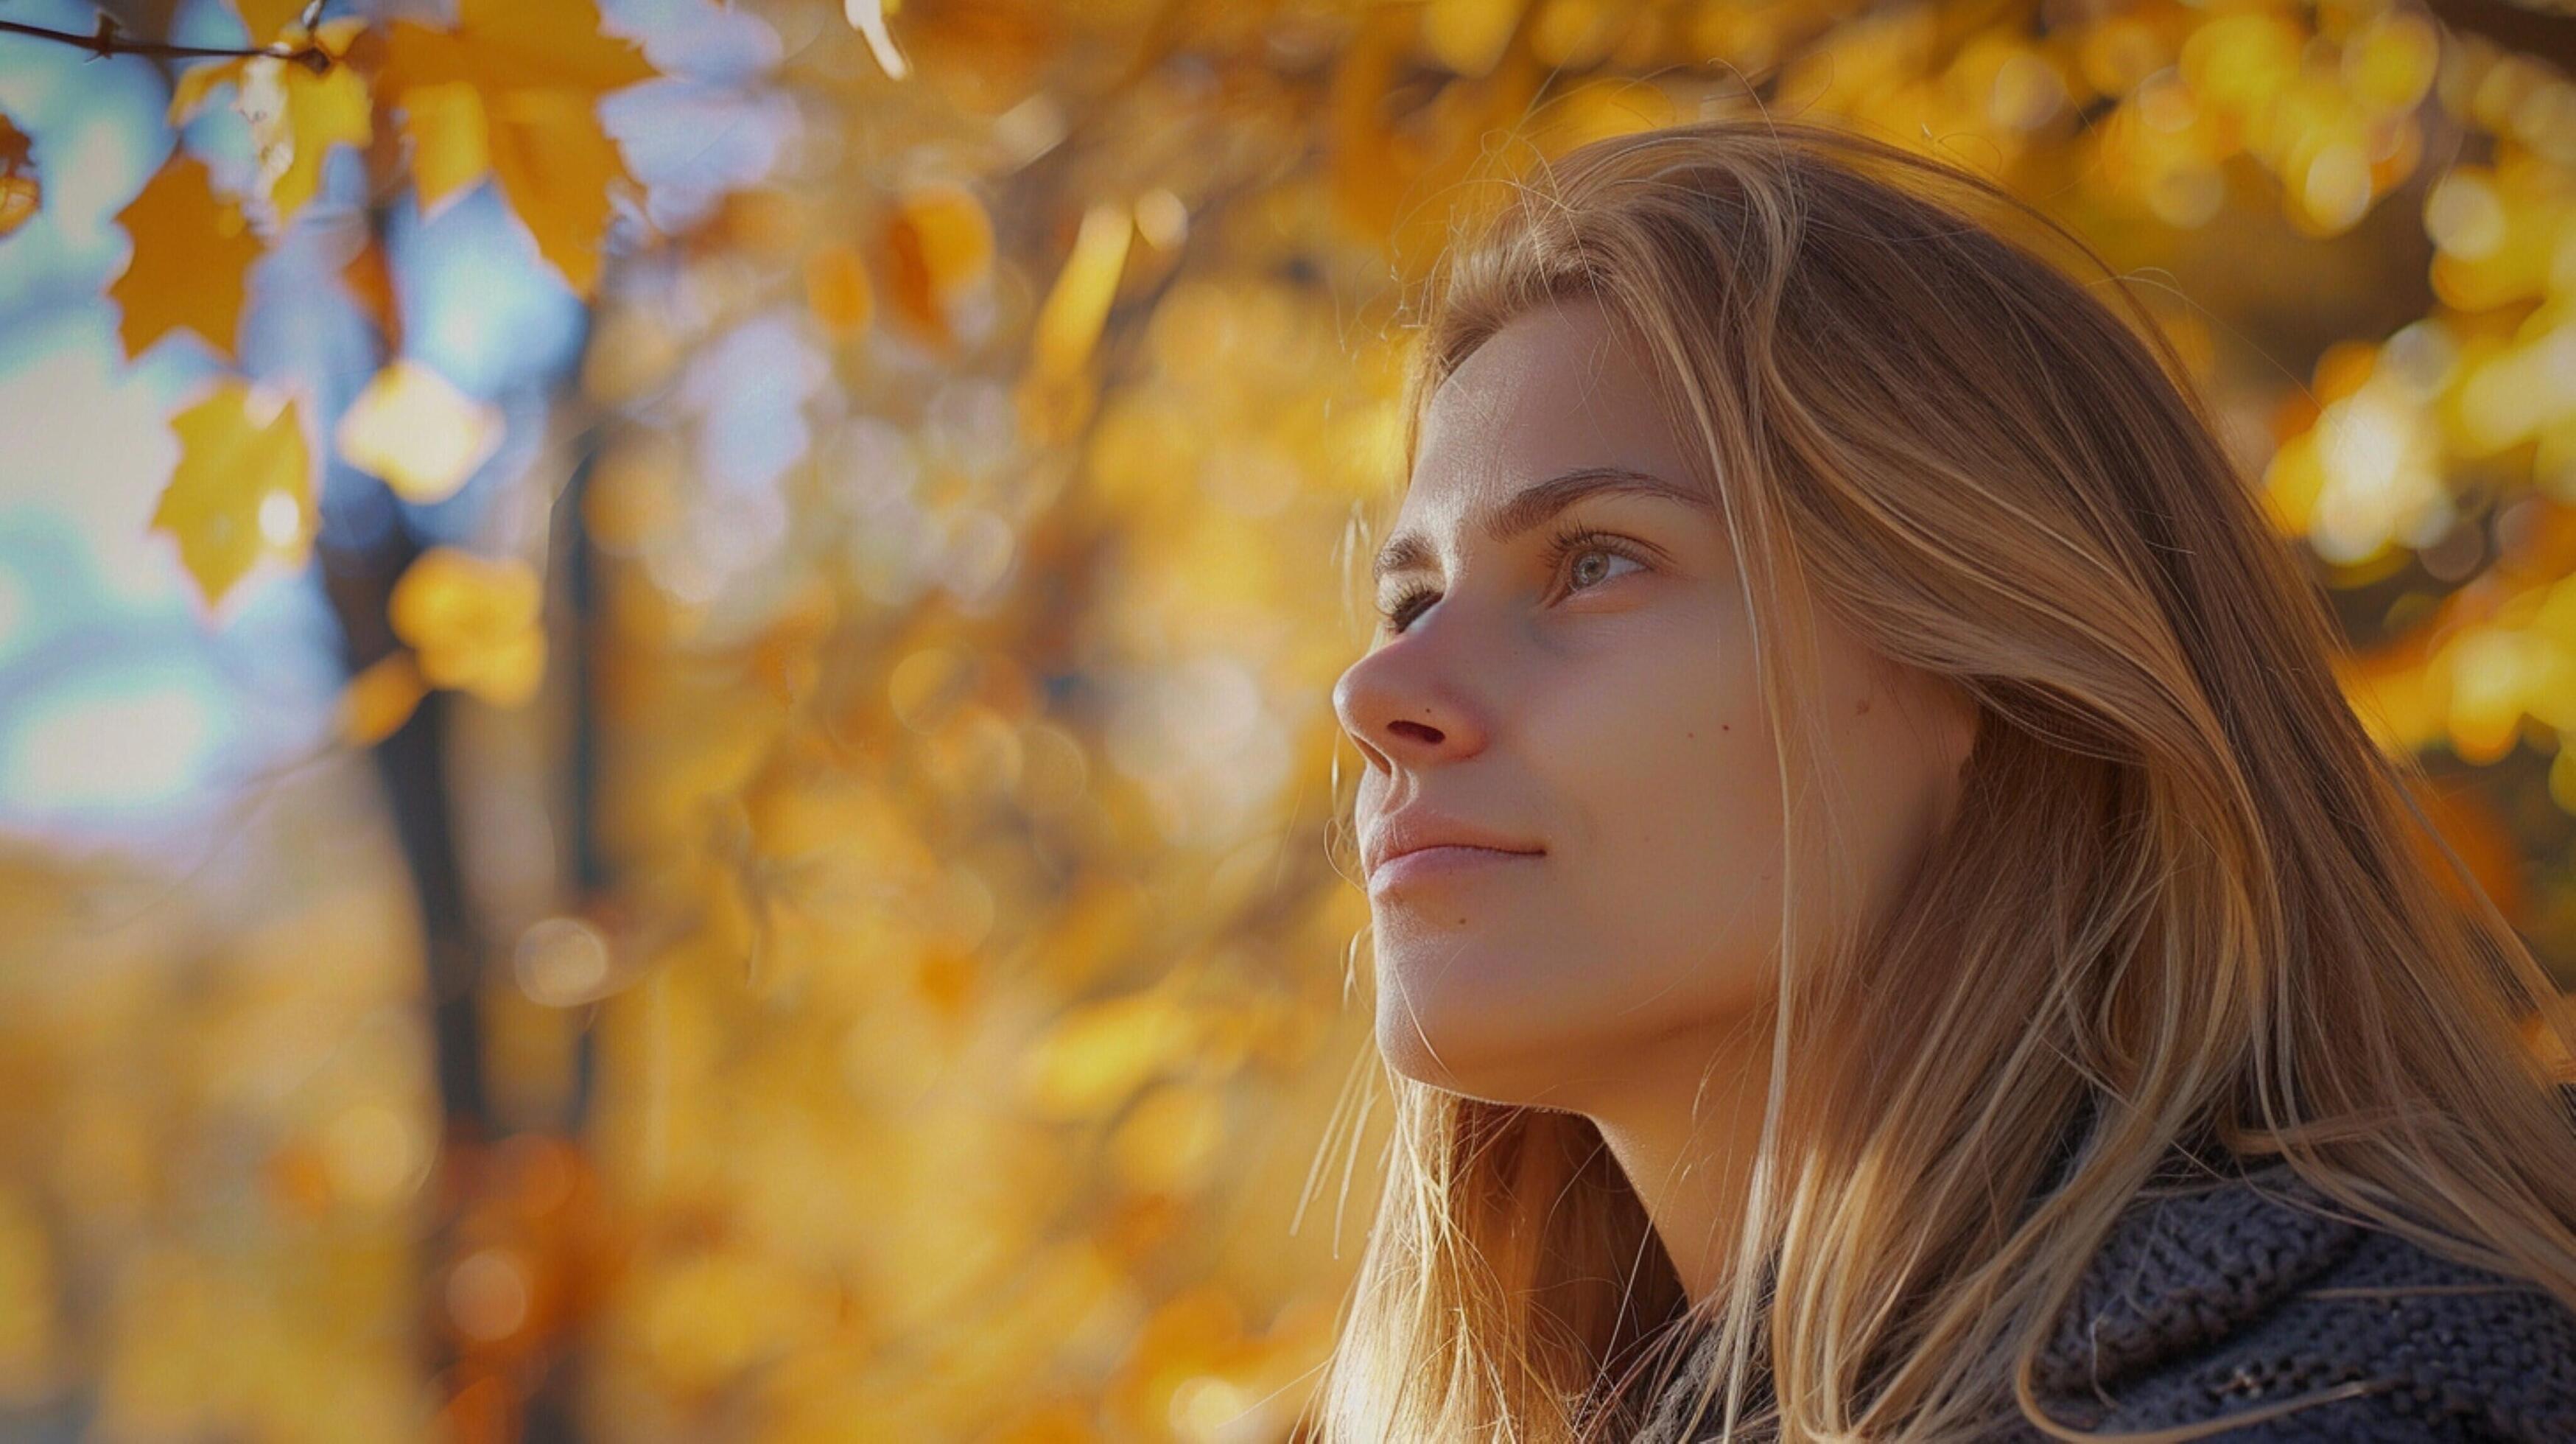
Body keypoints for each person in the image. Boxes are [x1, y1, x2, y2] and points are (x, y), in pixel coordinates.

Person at [1317, 115, 2576, 1443]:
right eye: (1409, 605)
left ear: (1989, 660)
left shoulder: (2366, 1398)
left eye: (1594, 561)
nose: (1373, 693)